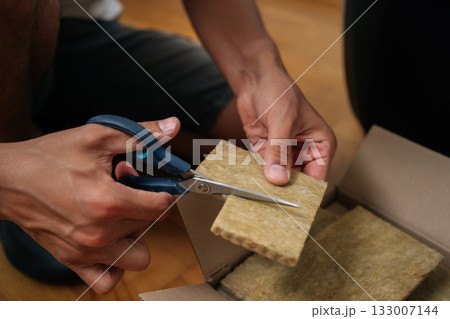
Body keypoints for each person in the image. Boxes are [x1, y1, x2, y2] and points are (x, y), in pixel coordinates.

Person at [0, 0, 336, 294]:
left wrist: (258, 71)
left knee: (267, 136)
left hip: (76, 27)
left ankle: (63, 128)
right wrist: (11, 178)